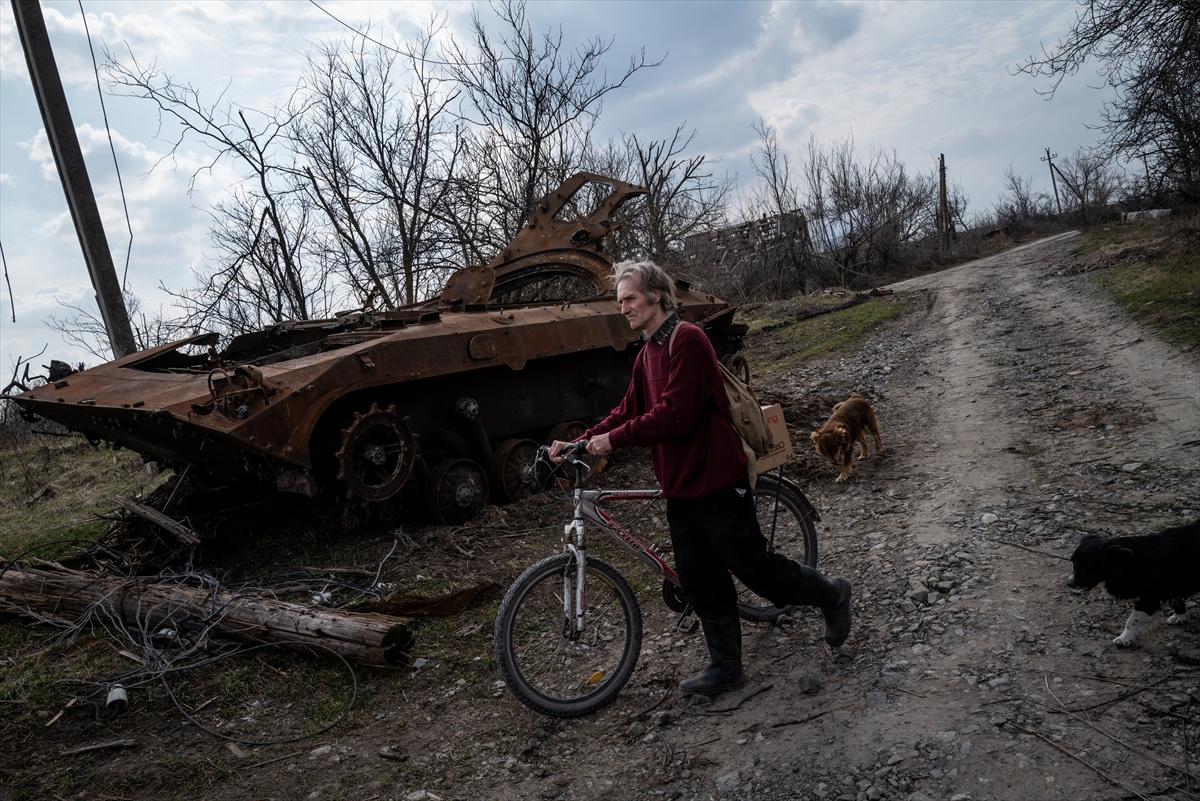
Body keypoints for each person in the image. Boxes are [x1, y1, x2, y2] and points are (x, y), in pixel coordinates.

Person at [550, 260, 852, 697]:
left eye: (630, 298)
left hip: (716, 480)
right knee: (700, 578)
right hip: (680, 487)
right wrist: (580, 440)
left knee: (759, 572)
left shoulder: (686, 340)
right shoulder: (647, 352)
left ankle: (832, 594)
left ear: (656, 295)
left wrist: (613, 441)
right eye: (620, 301)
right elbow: (628, 410)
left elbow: (675, 414)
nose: (624, 308)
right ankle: (726, 667)